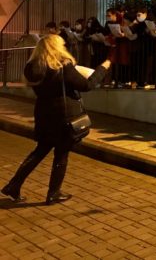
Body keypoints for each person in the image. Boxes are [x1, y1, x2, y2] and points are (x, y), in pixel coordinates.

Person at [1, 34, 111, 205]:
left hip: (44, 114)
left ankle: (14, 185)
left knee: (39, 151)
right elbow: (86, 85)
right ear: (57, 47)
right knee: (61, 154)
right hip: (64, 116)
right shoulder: (62, 65)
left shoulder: (31, 67)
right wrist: (102, 68)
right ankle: (53, 192)